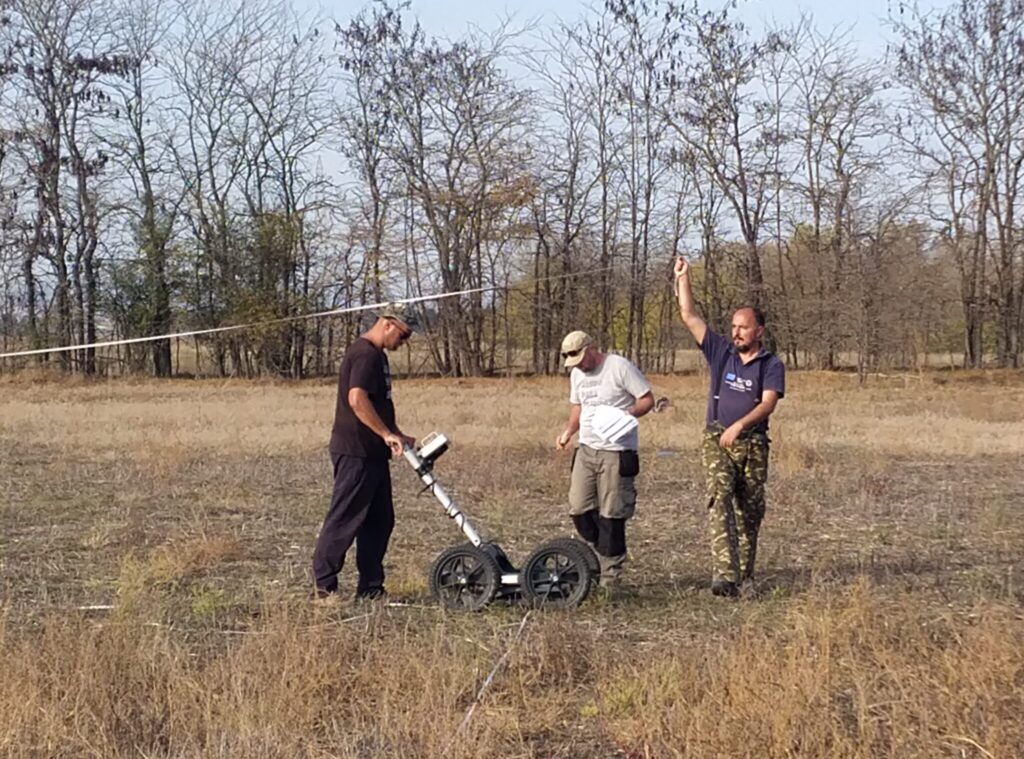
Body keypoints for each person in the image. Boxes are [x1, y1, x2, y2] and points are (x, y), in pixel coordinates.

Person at [673, 257, 785, 597]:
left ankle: (744, 576)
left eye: (743, 328)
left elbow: (768, 403)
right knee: (719, 497)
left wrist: (740, 426)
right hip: (717, 438)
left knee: (749, 512)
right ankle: (724, 576)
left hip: (753, 445)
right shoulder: (722, 352)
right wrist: (683, 278)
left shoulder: (771, 364)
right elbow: (689, 316)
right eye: (734, 326)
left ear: (759, 332)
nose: (736, 332)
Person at [312, 303, 419, 601]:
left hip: (373, 453)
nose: (403, 341)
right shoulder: (364, 354)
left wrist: (396, 434)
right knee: (345, 518)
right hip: (355, 451)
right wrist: (385, 434)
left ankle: (371, 588)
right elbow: (357, 400)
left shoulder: (378, 356)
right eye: (403, 334)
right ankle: (324, 587)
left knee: (380, 520)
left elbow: (378, 402)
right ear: (387, 324)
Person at [555, 330, 654, 593]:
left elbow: (647, 399)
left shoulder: (619, 367)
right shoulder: (577, 374)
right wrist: (568, 431)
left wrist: (627, 413)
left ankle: (610, 578)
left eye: (580, 359)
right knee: (579, 508)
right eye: (572, 363)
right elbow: (578, 406)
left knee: (612, 514)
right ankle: (601, 551)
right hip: (586, 449)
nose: (578, 366)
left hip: (616, 451)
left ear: (591, 348)